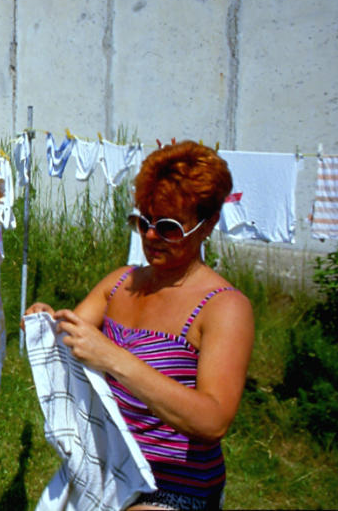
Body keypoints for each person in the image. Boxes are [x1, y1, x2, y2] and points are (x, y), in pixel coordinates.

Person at [24, 141, 253, 510]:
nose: (149, 236)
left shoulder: (225, 307)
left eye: (168, 227)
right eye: (144, 222)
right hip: (107, 468)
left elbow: (213, 421)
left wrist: (113, 358)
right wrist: (48, 323)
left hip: (176, 485)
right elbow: (71, 345)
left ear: (208, 224)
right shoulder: (120, 282)